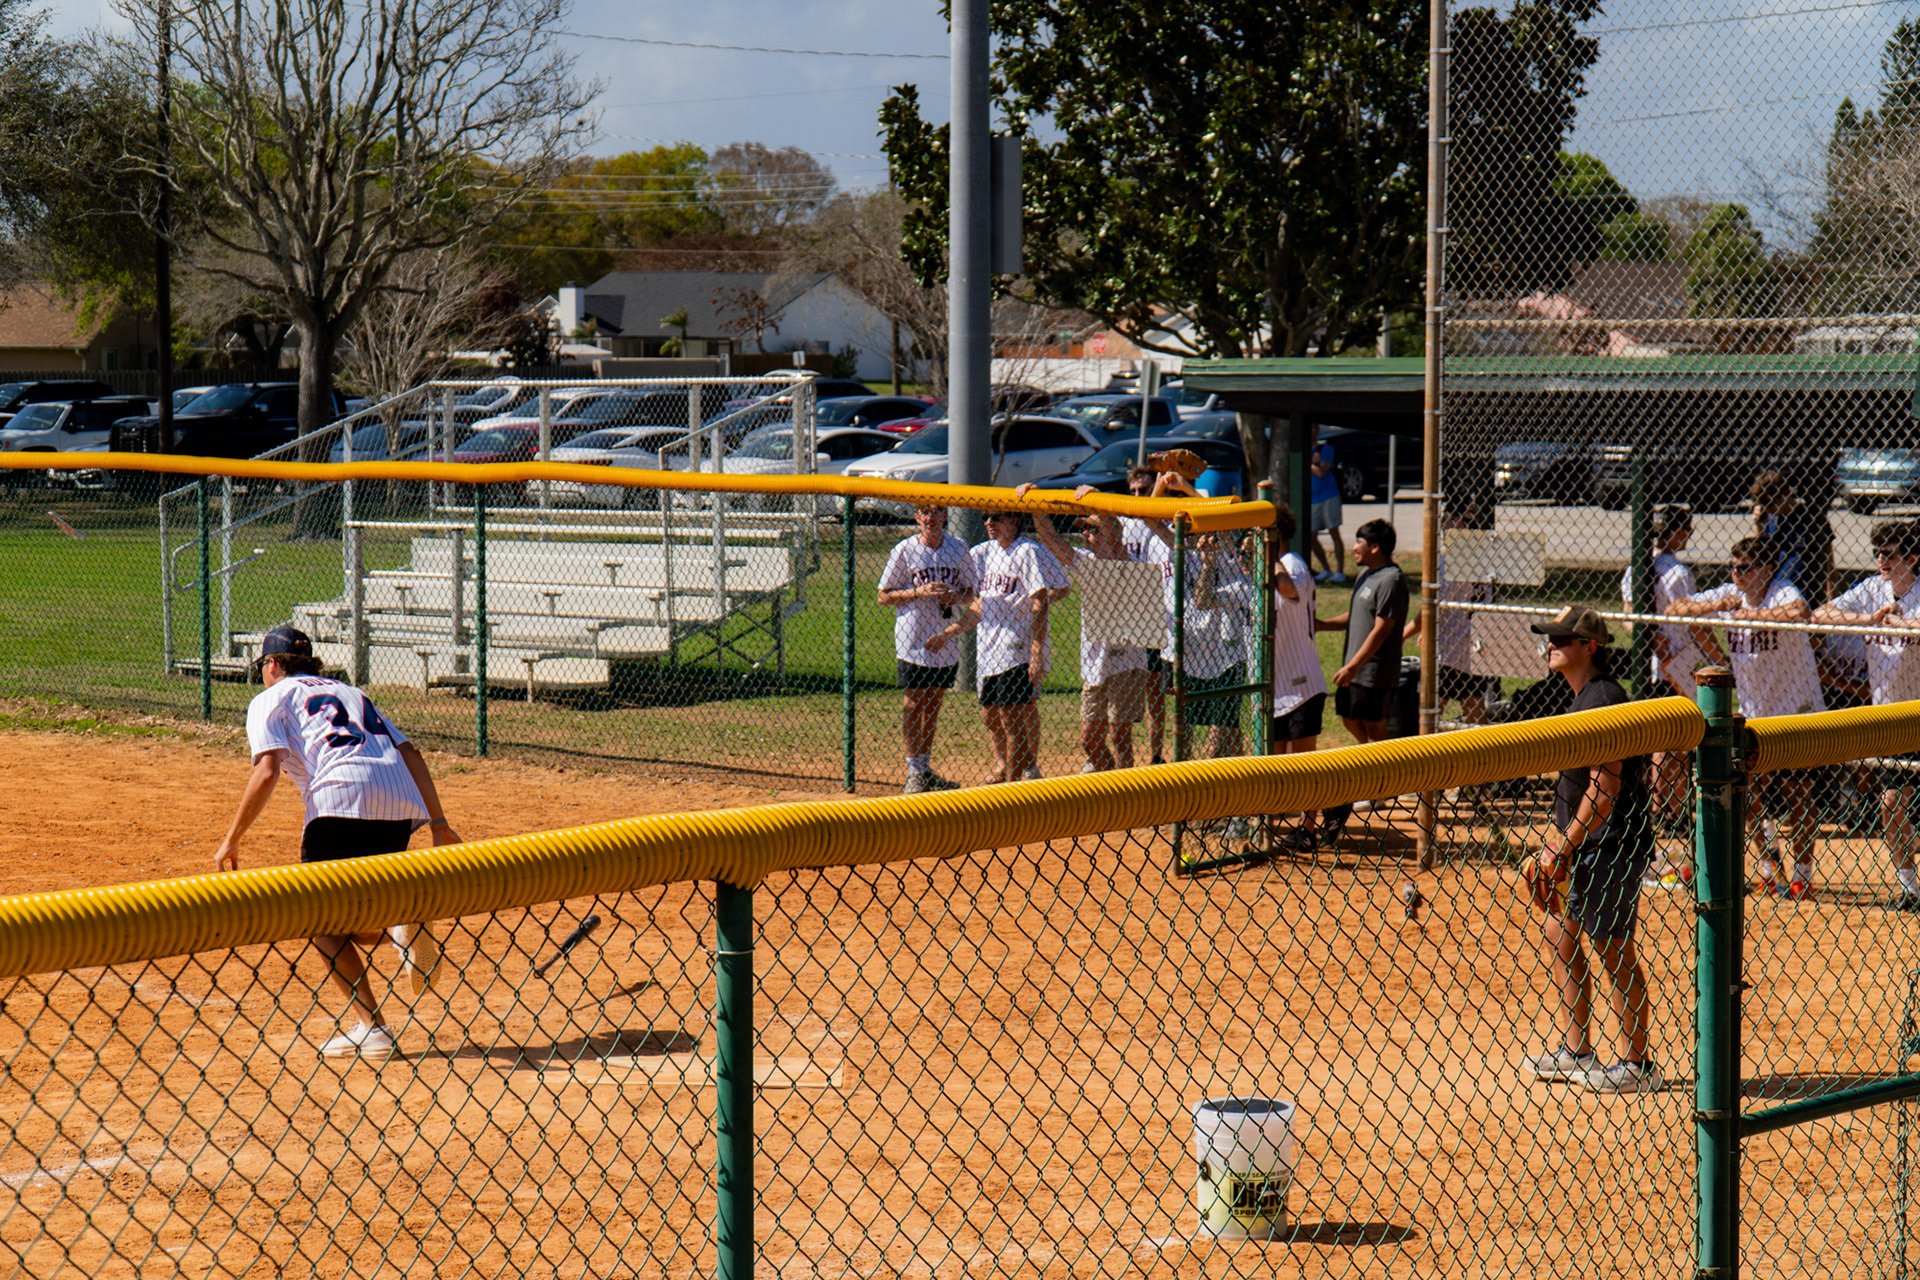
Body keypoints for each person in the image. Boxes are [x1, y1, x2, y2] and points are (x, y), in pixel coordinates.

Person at [214, 625, 460, 1061]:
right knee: (359, 928)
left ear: (271, 665)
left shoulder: (270, 697)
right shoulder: (352, 693)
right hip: (396, 798)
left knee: (319, 919)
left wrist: (231, 839)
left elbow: (266, 770)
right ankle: (403, 929)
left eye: (263, 668)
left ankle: (374, 1027)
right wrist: (439, 824)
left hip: (338, 799)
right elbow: (412, 754)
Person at [1518, 606, 1661, 1095]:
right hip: (1583, 844)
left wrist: (1564, 848)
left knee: (1612, 947)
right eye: (1550, 636)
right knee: (1561, 933)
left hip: (1610, 844)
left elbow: (1604, 790)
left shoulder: (1602, 700)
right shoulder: (1582, 698)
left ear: (1590, 648)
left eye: (1562, 638)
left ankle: (1639, 1064)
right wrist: (1556, 842)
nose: (1551, 644)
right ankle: (1577, 1051)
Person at [1666, 535, 1826, 902]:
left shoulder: (1781, 591)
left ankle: (1801, 876)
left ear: (1766, 570)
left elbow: (1799, 611)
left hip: (1796, 712)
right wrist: (1716, 610)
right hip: (1754, 715)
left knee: (1798, 793)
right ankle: (1771, 872)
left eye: (1745, 568)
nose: (1736, 574)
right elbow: (1677, 608)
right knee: (1751, 795)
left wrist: (1746, 616)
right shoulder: (1729, 594)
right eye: (1733, 567)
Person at [1813, 520, 1920, 910]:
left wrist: (1900, 624)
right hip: (1890, 723)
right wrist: (1868, 621)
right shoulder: (1873, 590)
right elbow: (1820, 614)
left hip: (1919, 715)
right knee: (1890, 805)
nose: (1881, 561)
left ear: (1912, 557)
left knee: (1897, 806)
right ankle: (1911, 888)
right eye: (1878, 553)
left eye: (1890, 554)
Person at [1016, 484, 1150, 771]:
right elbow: (1050, 539)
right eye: (1085, 530)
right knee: (1088, 739)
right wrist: (1035, 500)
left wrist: (1097, 498)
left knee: (1120, 734)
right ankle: (1110, 778)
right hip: (1095, 665)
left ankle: (1125, 794)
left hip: (1126, 663)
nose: (1086, 536)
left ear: (1113, 535)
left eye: (1093, 530)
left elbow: (1113, 533)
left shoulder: (1131, 562)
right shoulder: (1087, 562)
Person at [1312, 518, 1409, 846]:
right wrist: (1323, 625)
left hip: (1374, 670)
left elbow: (1381, 629)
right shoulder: (1367, 576)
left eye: (1359, 542)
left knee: (1375, 725)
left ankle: (1382, 786)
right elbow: (1357, 619)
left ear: (1375, 547)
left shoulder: (1392, 580)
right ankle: (1376, 777)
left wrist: (1354, 665)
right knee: (1350, 719)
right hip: (1354, 669)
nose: (1353, 548)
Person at [1622, 505, 1704, 882]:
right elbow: (1689, 620)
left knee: (1660, 741)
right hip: (1679, 665)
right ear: (1671, 532)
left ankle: (1661, 812)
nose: (1688, 535)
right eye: (1684, 529)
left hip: (1649, 666)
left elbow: (1628, 617)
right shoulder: (1677, 572)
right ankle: (1670, 813)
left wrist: (1649, 638)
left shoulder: (1635, 567)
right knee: (1677, 744)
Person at [958, 509, 1069, 782]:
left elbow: (1060, 588)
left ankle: (1022, 770)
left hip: (1019, 644)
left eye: (995, 518)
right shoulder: (982, 553)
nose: (988, 523)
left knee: (1021, 709)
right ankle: (1009, 762)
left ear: (1012, 520)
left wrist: (1027, 607)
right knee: (990, 715)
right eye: (986, 518)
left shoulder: (1031, 551)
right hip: (988, 646)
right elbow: (972, 594)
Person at [876, 505, 977, 793]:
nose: (931, 518)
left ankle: (924, 767)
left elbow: (971, 591)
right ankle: (913, 770)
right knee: (913, 702)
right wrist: (917, 592)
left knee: (933, 704)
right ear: (917, 517)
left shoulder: (958, 548)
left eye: (937, 512)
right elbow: (883, 596)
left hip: (945, 639)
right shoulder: (905, 550)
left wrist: (954, 595)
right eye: (924, 512)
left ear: (945, 516)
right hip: (913, 639)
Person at [1403, 503, 1492, 726]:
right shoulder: (1484, 559)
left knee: (1429, 714)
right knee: (1475, 712)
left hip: (1447, 649)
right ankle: (1485, 758)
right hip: (1474, 645)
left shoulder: (1447, 562)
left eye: (1447, 519)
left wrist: (1404, 634)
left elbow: (1431, 608)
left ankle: (1425, 756)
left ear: (1459, 524)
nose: (1442, 525)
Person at [1118, 463, 1171, 764]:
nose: (1137, 495)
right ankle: (1124, 755)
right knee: (1120, 683)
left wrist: (1162, 484)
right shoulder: (1122, 521)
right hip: (1123, 613)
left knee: (1154, 690)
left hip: (1152, 614)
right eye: (1133, 490)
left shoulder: (1158, 521)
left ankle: (1156, 753)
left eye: (1144, 489)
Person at [1750, 469, 1833, 603]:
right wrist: (1758, 526)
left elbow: (1828, 561)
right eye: (1763, 505)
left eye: (1770, 504)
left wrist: (1831, 598)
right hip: (1777, 595)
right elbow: (1758, 557)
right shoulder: (1768, 520)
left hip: (1807, 594)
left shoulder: (1810, 517)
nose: (1768, 509)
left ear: (1785, 494)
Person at [1308, 431, 1347, 584]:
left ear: (1316, 432)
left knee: (1334, 532)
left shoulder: (1325, 449)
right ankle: (1326, 569)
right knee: (1311, 536)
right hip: (1312, 499)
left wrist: (1309, 463)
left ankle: (1340, 572)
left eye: (1312, 429)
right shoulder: (1304, 450)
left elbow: (1321, 472)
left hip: (1329, 496)